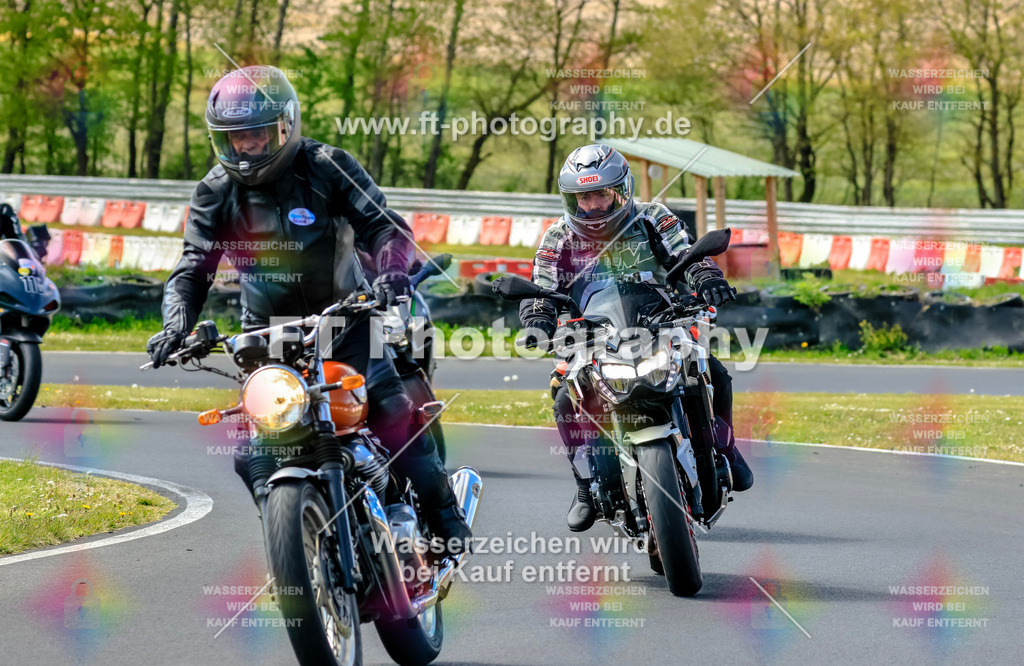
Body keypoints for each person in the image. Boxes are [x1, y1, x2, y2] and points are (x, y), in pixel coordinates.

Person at [145, 65, 470, 551]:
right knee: (252, 449)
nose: (247, 148)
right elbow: (193, 267)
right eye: (235, 139)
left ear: (285, 126)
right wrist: (175, 326)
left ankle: (444, 519)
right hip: (265, 336)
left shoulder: (327, 165)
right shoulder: (214, 191)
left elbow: (385, 227)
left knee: (389, 413)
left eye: (256, 135)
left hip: (350, 318)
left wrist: (391, 273)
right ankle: (292, 540)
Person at [519, 143, 754, 532]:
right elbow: (541, 287)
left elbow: (688, 255)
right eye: (583, 197)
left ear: (622, 190)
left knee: (713, 370)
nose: (592, 206)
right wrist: (538, 320)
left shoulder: (652, 218)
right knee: (562, 393)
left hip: (662, 323)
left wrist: (708, 278)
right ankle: (584, 484)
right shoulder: (556, 238)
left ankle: (725, 447)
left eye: (601, 194)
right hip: (590, 336)